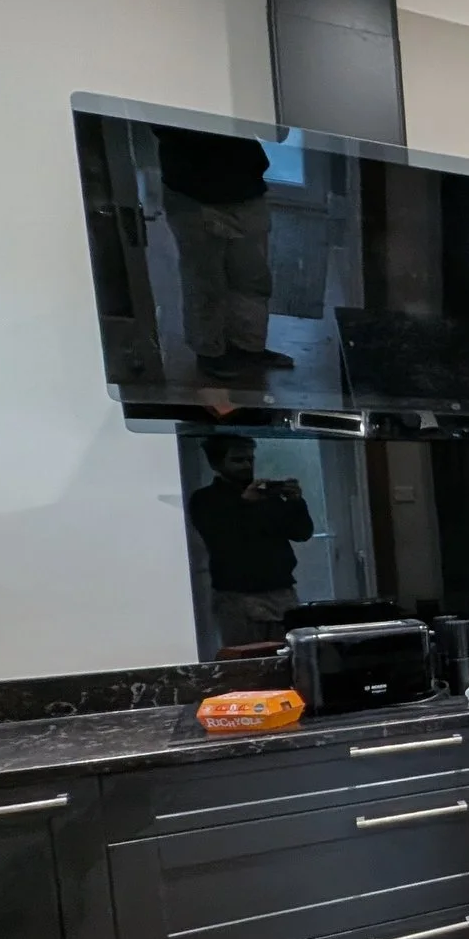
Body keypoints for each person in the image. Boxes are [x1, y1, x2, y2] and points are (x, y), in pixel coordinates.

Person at [154, 125, 291, 381]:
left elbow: (277, 132)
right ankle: (210, 353)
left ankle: (249, 348)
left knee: (252, 277)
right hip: (193, 190)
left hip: (241, 185)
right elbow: (164, 125)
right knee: (205, 280)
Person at [187, 436, 315, 652]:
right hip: (237, 596)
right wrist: (244, 504)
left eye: (250, 459)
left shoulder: (267, 497)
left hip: (280, 592)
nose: (247, 465)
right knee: (248, 663)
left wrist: (296, 503)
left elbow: (301, 533)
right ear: (216, 465)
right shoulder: (205, 500)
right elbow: (221, 537)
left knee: (291, 659)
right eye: (238, 460)